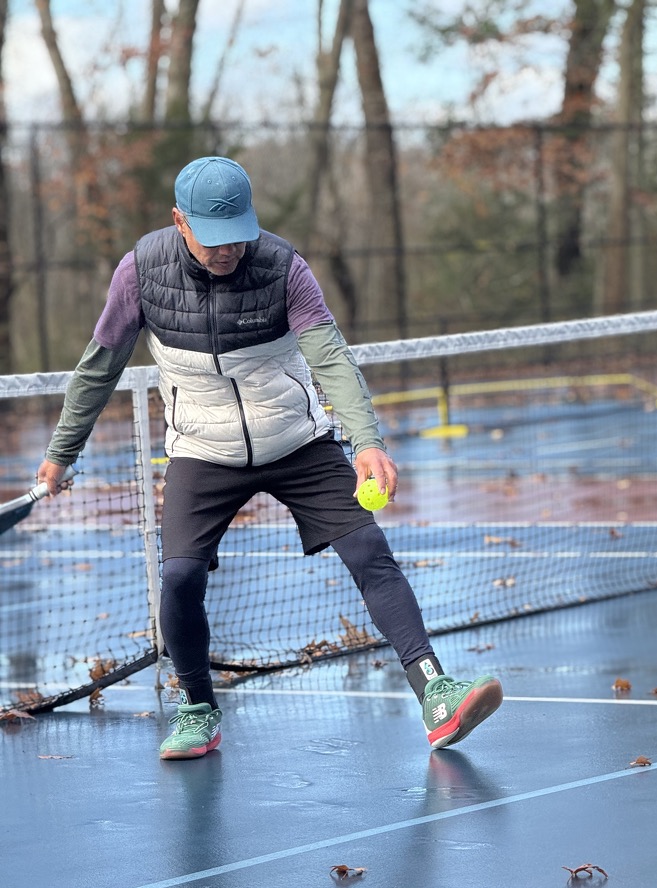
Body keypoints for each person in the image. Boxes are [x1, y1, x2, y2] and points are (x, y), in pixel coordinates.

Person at [37, 155, 502, 759]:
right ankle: (199, 708)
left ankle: (435, 693)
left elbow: (331, 359)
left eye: (238, 236)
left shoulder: (285, 269)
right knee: (178, 578)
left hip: (296, 442)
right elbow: (98, 369)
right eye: (213, 238)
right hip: (202, 451)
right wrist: (60, 453)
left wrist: (366, 441)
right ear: (180, 221)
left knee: (367, 549)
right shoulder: (139, 274)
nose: (228, 251)